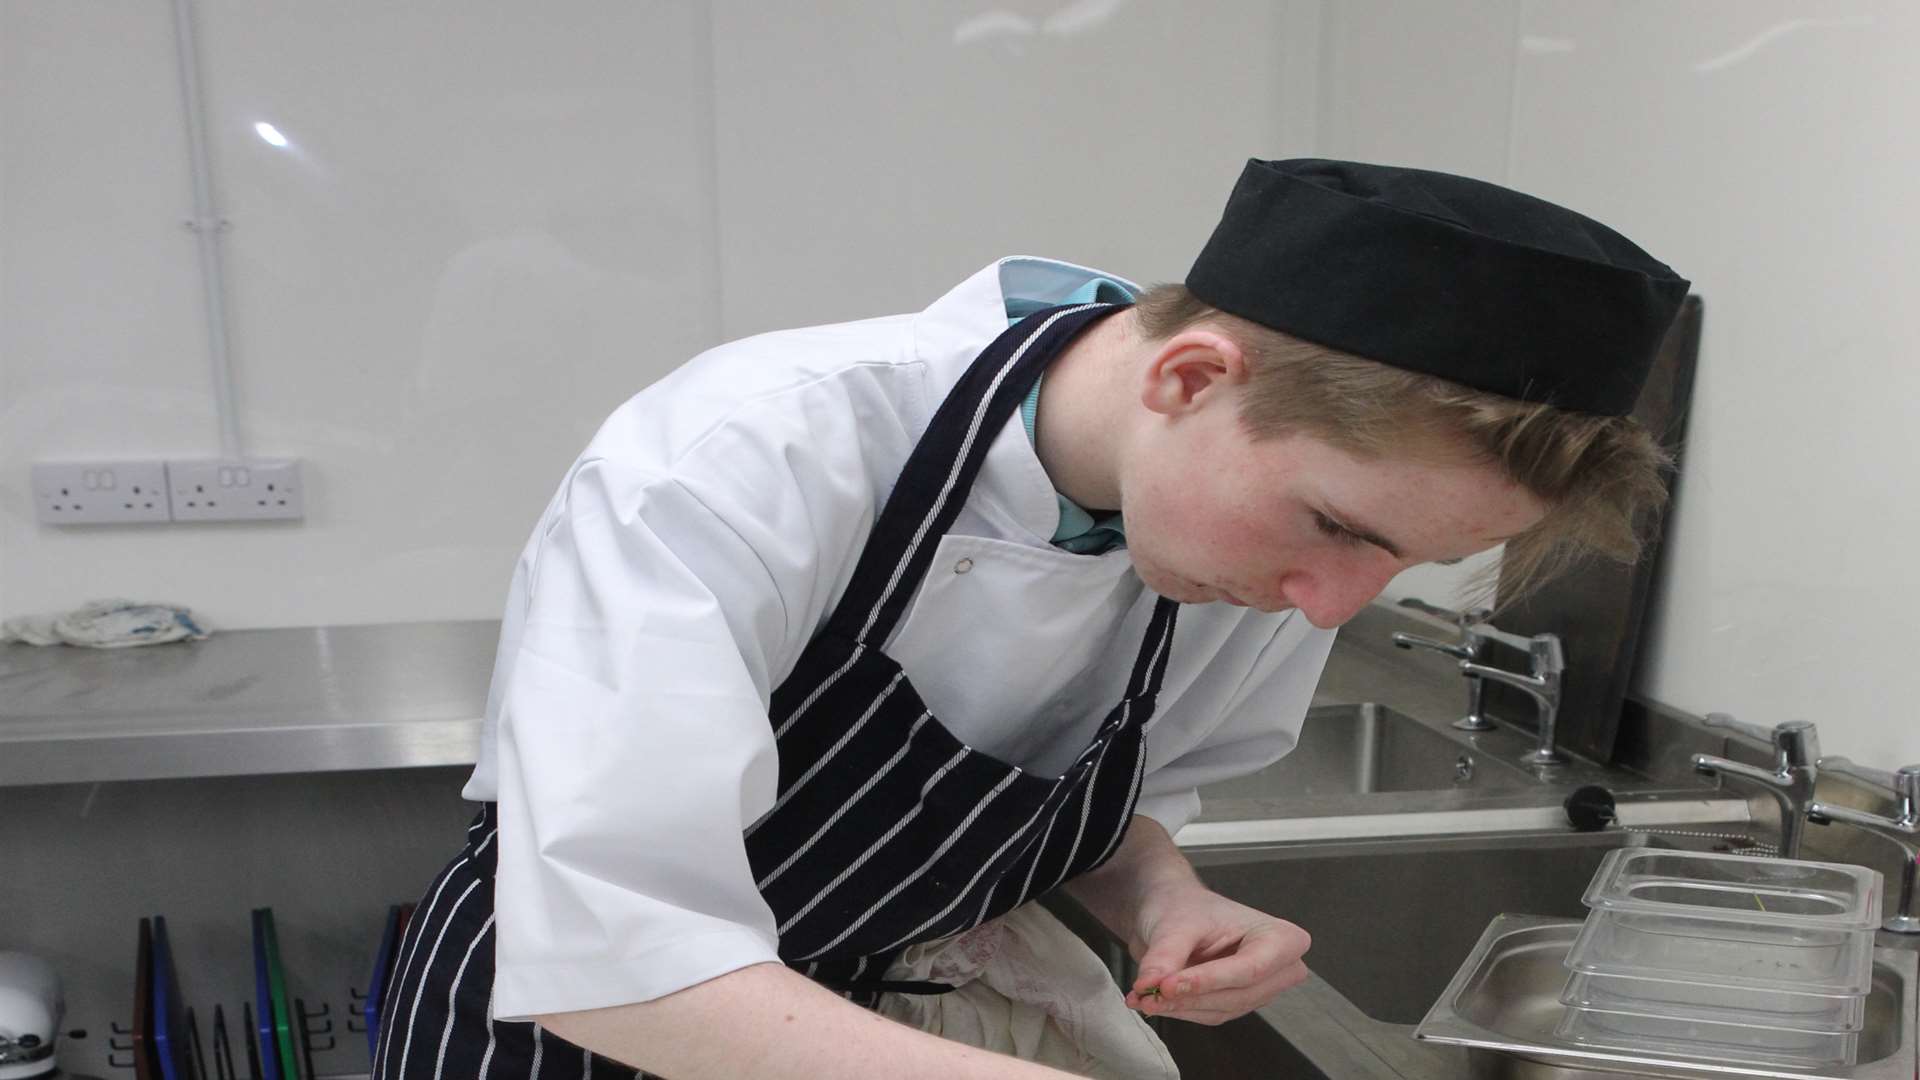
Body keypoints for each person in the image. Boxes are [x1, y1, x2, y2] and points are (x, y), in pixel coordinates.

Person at [373, 158, 1689, 1079]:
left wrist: (1161, 898)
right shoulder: (747, 454)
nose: (1332, 603)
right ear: (1187, 377)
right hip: (566, 1041)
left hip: (870, 1021)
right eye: (1339, 528)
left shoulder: (1250, 535)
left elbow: (1075, 793)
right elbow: (607, 947)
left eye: (1398, 566)